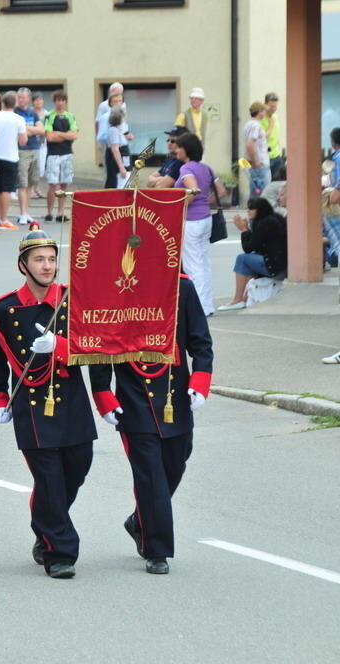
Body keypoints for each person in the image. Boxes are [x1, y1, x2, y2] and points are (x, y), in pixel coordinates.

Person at [0, 228, 97, 579]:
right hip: (32, 402)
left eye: (51, 259)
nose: (47, 266)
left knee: (77, 467)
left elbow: (93, 345)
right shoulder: (4, 308)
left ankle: (44, 522)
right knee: (48, 477)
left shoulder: (72, 298)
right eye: (39, 259)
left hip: (72, 396)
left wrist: (60, 347)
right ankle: (60, 552)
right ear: (23, 265)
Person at [89, 274, 213, 575]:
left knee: (176, 462)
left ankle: (139, 521)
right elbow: (101, 344)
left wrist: (200, 381)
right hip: (133, 397)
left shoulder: (181, 287)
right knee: (151, 476)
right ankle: (156, 550)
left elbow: (201, 341)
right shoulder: (112, 289)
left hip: (174, 394)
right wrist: (103, 393)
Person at [175, 132, 227, 317]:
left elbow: (193, 189)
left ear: (186, 150)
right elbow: (221, 191)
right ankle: (207, 305)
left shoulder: (186, 169)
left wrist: (179, 206)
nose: (176, 150)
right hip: (206, 218)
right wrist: (206, 201)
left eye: (179, 147)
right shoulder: (206, 168)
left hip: (191, 221)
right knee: (203, 263)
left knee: (192, 264)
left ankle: (199, 309)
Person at [217, 197, 288, 311]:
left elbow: (248, 248)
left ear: (260, 210)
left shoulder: (266, 223)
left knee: (242, 259)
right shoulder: (273, 219)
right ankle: (244, 297)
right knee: (249, 259)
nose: (248, 211)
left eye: (252, 208)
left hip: (275, 267)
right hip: (281, 264)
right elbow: (256, 246)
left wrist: (244, 230)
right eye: (248, 208)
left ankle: (238, 299)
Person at [0, 91, 28, 230]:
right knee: (6, 189)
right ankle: (4, 218)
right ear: (15, 103)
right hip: (10, 156)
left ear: (2, 103)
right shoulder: (18, 119)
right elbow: (23, 141)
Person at [43, 91, 79, 222]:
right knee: (53, 184)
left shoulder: (70, 116)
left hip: (67, 154)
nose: (60, 103)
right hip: (53, 155)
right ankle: (49, 212)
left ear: (65, 102)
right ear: (55, 101)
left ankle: (61, 212)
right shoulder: (49, 116)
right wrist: (66, 135)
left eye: (62, 100)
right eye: (58, 100)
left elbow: (74, 135)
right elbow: (49, 136)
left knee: (65, 184)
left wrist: (59, 134)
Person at [14, 88, 45, 226]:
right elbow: (17, 131)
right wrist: (28, 130)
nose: (20, 100)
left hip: (34, 149)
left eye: (23, 97)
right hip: (21, 150)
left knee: (30, 184)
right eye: (19, 97)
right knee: (22, 183)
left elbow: (42, 130)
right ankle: (22, 213)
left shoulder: (33, 113)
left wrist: (27, 129)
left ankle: (27, 213)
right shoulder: (15, 112)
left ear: (28, 99)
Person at [244, 101, 271, 197]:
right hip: (260, 165)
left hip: (254, 164)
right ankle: (260, 211)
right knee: (263, 194)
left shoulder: (248, 124)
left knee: (256, 191)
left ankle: (254, 210)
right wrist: (256, 161)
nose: (264, 113)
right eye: (263, 111)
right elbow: (249, 144)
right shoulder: (256, 125)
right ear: (260, 111)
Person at [105, 107, 130, 189]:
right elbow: (115, 149)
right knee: (120, 185)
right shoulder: (113, 131)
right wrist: (121, 167)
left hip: (126, 161)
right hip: (119, 165)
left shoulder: (119, 130)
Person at [262, 92, 283, 178]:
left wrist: (279, 150)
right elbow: (262, 138)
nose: (273, 109)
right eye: (271, 106)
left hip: (277, 156)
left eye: (275, 106)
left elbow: (276, 135)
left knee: (277, 184)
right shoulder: (261, 118)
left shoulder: (275, 116)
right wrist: (270, 126)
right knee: (267, 185)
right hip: (266, 157)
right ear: (265, 105)